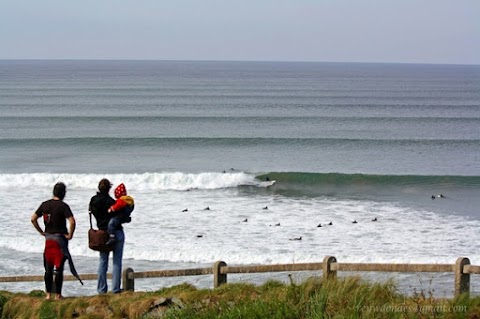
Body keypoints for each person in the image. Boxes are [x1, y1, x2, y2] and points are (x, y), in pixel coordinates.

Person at [31, 182, 83, 300]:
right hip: (60, 241)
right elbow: (72, 221)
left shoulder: (45, 205)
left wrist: (41, 231)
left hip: (49, 241)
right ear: (63, 193)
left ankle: (48, 295)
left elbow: (33, 218)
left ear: (53, 192)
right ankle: (58, 295)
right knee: (59, 269)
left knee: (48, 269)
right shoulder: (63, 206)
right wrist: (70, 234)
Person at [88, 178, 125, 294]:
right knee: (116, 261)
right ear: (109, 188)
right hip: (116, 232)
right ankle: (115, 289)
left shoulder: (93, 200)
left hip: (102, 234)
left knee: (103, 261)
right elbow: (120, 217)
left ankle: (101, 289)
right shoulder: (111, 202)